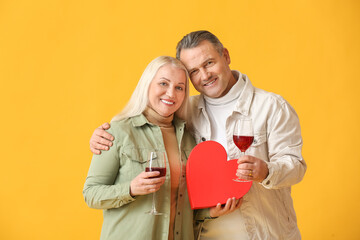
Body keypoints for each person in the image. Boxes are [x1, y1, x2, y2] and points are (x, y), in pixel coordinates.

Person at [89, 31, 307, 239]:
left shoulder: (271, 106)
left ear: (226, 56)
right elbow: (143, 129)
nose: (204, 75)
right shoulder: (184, 111)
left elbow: (295, 165)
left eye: (209, 63)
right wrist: (105, 135)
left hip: (264, 234)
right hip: (203, 235)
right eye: (193, 71)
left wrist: (266, 170)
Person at [83, 56, 239, 240]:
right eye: (163, 84)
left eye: (179, 87)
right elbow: (91, 194)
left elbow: (182, 207)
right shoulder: (118, 131)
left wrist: (210, 212)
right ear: (147, 85)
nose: (171, 94)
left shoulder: (188, 138)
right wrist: (131, 189)